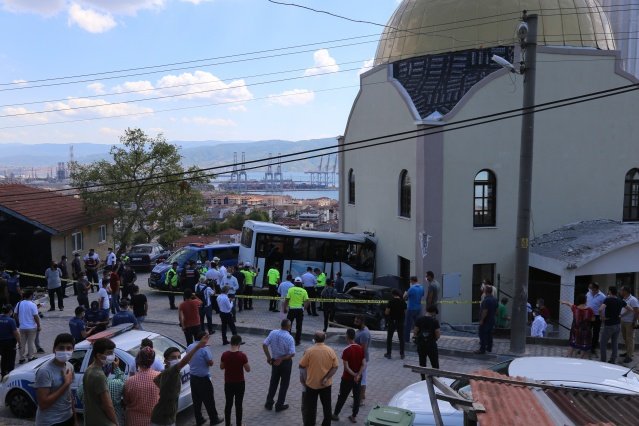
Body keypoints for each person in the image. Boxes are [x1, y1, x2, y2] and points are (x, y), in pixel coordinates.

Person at [150, 333, 211, 426]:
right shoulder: (170, 371)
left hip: (169, 416)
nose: (177, 359)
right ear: (166, 361)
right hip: (162, 418)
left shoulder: (167, 372)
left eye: (179, 357)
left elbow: (156, 380)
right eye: (173, 357)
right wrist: (197, 346)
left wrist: (165, 391)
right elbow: (184, 362)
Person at [34, 333, 76, 426]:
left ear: (73, 350)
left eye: (69, 348)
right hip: (50, 421)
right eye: (61, 348)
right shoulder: (45, 371)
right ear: (54, 349)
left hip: (68, 417)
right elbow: (43, 404)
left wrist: (75, 419)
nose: (65, 351)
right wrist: (65, 384)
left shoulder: (70, 366)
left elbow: (69, 395)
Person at [299, 331, 339, 426]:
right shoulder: (330, 351)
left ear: (314, 339)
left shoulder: (309, 351)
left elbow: (301, 365)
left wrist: (303, 379)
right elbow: (335, 367)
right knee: (327, 407)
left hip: (311, 384)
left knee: (311, 408)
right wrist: (326, 378)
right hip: (326, 385)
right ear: (324, 339)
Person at [188, 330, 224, 426]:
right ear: (204, 338)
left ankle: (199, 419)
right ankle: (214, 419)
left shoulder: (190, 346)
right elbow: (210, 363)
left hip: (193, 377)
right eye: (208, 337)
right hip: (203, 378)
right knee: (209, 400)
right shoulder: (205, 349)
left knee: (196, 400)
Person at [332, 328, 366, 424]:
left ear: (347, 336)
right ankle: (354, 416)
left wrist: (354, 374)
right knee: (356, 397)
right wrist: (358, 375)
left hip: (347, 378)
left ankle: (335, 414)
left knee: (342, 396)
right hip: (358, 378)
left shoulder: (346, 350)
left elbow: (346, 367)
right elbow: (364, 364)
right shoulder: (360, 348)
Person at [82, 337, 118, 425]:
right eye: (109, 353)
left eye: (112, 352)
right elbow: (108, 406)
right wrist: (116, 422)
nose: (112, 356)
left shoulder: (89, 370)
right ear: (98, 355)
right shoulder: (99, 376)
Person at [263, 319, 296, 412]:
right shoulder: (289, 338)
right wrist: (281, 359)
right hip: (285, 363)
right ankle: (279, 405)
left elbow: (264, 344)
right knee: (284, 384)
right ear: (288, 327)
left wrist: (269, 358)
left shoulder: (273, 332)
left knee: (273, 382)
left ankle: (269, 403)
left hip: (274, 361)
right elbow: (292, 353)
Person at [123, 346, 160, 426]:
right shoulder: (160, 377)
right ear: (152, 361)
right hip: (156, 420)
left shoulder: (130, 381)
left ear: (138, 361)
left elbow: (126, 401)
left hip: (135, 421)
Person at [221, 334, 250, 426]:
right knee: (238, 405)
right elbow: (248, 369)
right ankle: (239, 424)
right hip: (240, 383)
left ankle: (227, 424)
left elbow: (221, 367)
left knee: (228, 404)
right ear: (239, 343)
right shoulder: (242, 355)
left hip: (228, 383)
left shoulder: (225, 354)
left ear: (231, 343)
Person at [599, 286, 626, 363]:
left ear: (610, 291)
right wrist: (621, 315)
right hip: (617, 324)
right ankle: (613, 360)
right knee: (615, 343)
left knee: (603, 343)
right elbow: (630, 309)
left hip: (609, 325)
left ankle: (603, 360)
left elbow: (600, 309)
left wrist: (602, 317)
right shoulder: (620, 300)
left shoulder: (608, 300)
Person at [413, 305, 441, 380]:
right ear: (433, 312)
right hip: (431, 345)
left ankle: (423, 379)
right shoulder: (434, 321)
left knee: (422, 362)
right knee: (434, 363)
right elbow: (438, 334)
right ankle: (436, 379)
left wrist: (416, 339)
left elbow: (415, 331)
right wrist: (435, 339)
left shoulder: (419, 319)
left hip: (421, 344)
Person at [16, 289, 41, 364]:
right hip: (31, 327)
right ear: (30, 296)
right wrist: (39, 325)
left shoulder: (19, 303)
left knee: (22, 343)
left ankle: (21, 358)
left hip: (22, 327)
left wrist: (19, 322)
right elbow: (36, 316)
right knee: (30, 342)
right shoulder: (32, 304)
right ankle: (31, 357)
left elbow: (15, 314)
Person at [284, 277, 309, 346]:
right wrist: (304, 309)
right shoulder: (304, 291)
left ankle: (287, 340)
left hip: (291, 309)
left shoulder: (291, 289)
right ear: (301, 283)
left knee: (288, 325)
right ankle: (297, 341)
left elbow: (287, 299)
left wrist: (285, 308)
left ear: (294, 283)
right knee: (299, 326)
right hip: (299, 310)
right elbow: (307, 301)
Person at [474, 285, 497, 354]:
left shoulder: (486, 300)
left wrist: (482, 320)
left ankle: (482, 349)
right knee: (489, 335)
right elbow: (497, 311)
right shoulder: (495, 300)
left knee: (482, 335)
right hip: (492, 320)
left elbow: (485, 311)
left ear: (485, 291)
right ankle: (489, 348)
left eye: (484, 290)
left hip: (486, 321)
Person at [353, 314, 371, 404]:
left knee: (361, 379)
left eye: (357, 321)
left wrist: (361, 361)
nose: (355, 323)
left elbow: (363, 349)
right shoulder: (361, 330)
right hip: (360, 358)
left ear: (362, 322)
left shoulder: (364, 333)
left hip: (361, 359)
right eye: (355, 321)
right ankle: (361, 395)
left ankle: (360, 400)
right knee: (361, 378)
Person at [384, 289, 406, 359]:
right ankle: (402, 354)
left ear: (393, 294)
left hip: (392, 321)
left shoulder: (391, 301)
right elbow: (405, 311)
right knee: (401, 338)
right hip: (400, 321)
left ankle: (389, 353)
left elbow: (387, 312)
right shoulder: (403, 302)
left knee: (389, 338)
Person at [619, 285, 639, 363]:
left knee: (630, 339)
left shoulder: (633, 299)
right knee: (625, 338)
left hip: (630, 322)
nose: (620, 291)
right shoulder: (624, 298)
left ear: (625, 291)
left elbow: (637, 311)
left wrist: (635, 321)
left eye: (621, 290)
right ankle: (628, 352)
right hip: (623, 321)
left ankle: (629, 356)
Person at [0, 304, 20, 377]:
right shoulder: (11, 320)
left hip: (1, 342)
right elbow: (16, 333)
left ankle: (3, 374)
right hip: (10, 342)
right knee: (11, 359)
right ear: (10, 311)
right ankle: (10, 375)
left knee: (4, 358)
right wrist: (20, 343)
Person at [586, 282, 606, 357]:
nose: (590, 289)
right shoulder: (588, 294)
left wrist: (602, 317)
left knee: (596, 332)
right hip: (588, 316)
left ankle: (593, 348)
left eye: (591, 288)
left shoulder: (602, 296)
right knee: (586, 331)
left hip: (597, 316)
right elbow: (585, 303)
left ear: (595, 288)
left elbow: (604, 308)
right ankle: (585, 346)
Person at [404, 276, 424, 343]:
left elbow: (405, 297)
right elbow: (421, 295)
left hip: (411, 308)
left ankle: (406, 339)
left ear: (411, 280)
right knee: (418, 324)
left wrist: (405, 293)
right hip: (418, 308)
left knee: (408, 325)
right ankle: (418, 338)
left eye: (410, 280)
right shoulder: (421, 287)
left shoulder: (411, 288)